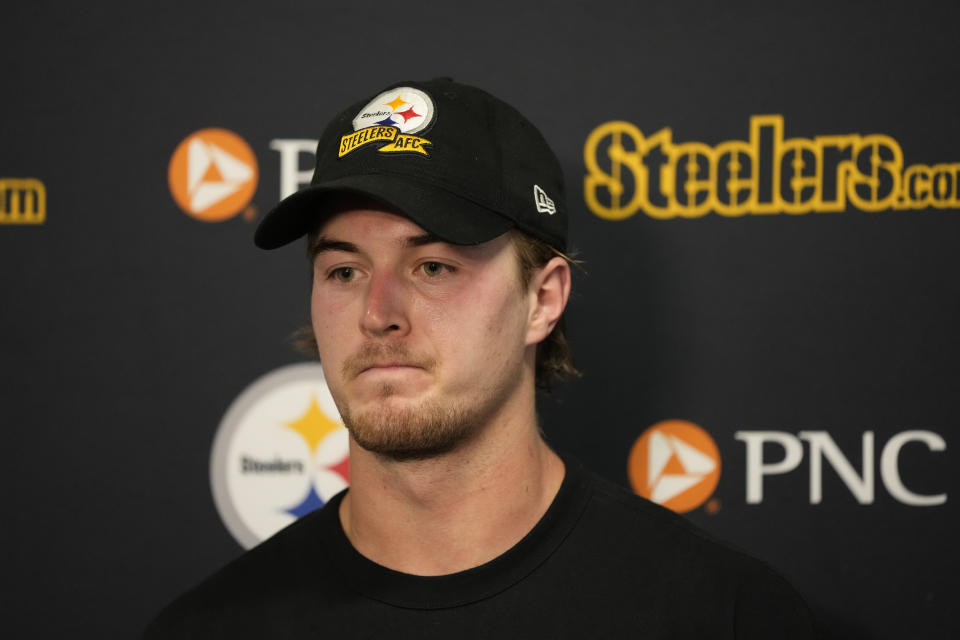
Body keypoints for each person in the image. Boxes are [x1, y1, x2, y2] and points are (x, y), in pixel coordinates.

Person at [146, 78, 817, 638]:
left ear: (543, 299)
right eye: (344, 272)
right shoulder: (206, 628)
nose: (378, 312)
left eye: (433, 266)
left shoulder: (725, 617)